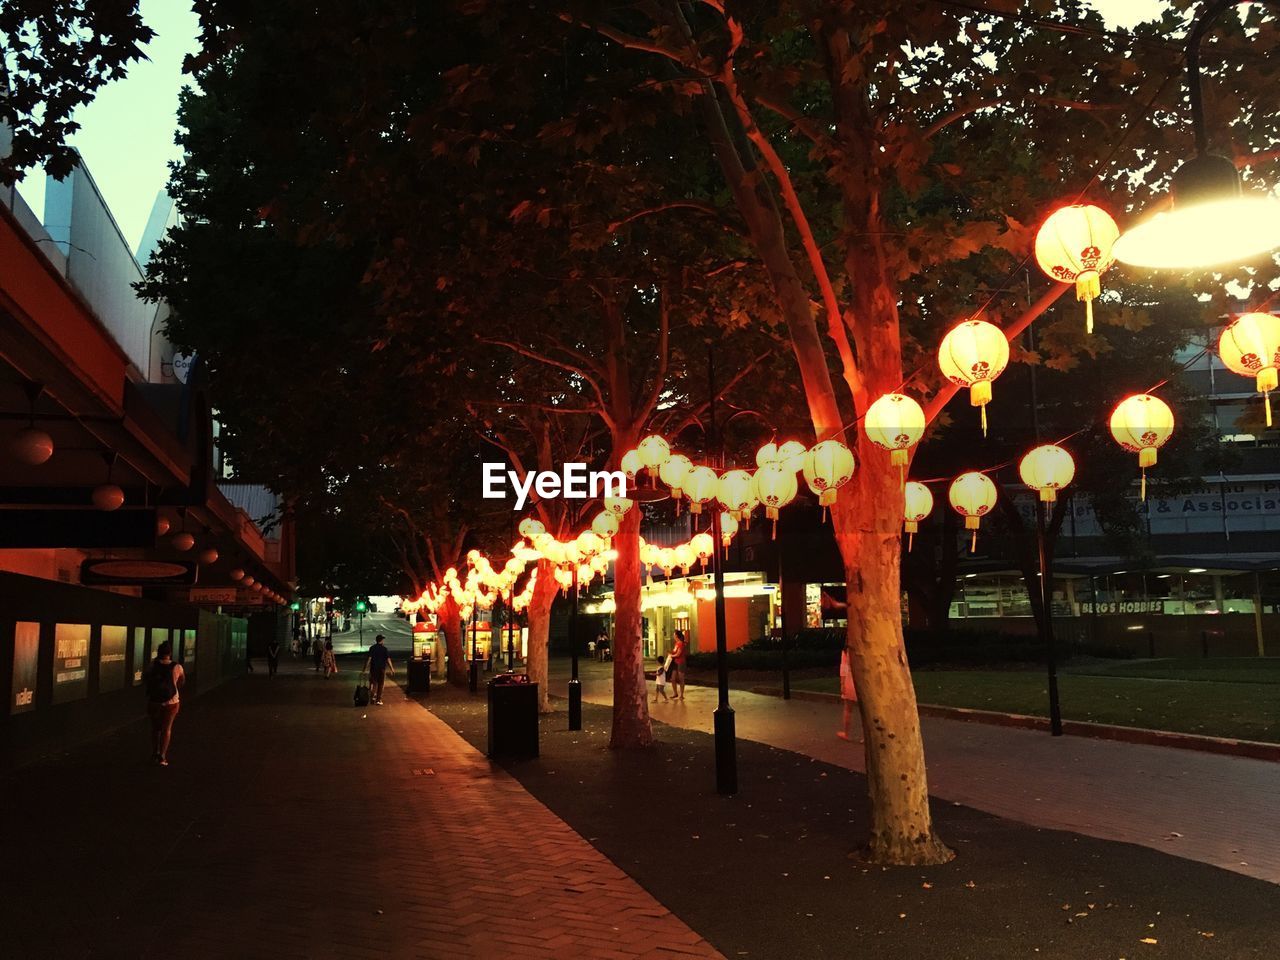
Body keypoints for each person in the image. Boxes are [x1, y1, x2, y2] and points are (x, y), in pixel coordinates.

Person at [145, 640, 185, 766]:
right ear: (170, 653)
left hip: (154, 701)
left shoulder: (152, 665)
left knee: (155, 729)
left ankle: (154, 753)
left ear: (159, 652)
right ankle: (162, 756)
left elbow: (146, 680)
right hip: (172, 702)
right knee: (166, 729)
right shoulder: (177, 667)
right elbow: (181, 682)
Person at [363, 634, 394, 705]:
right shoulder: (384, 649)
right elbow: (388, 659)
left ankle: (372, 697)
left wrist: (365, 668)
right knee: (381, 684)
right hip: (382, 669)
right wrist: (392, 668)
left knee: (374, 683)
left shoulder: (372, 648)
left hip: (373, 669)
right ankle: (378, 700)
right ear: (382, 640)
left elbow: (369, 659)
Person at [837, 648, 860, 741]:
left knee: (848, 709)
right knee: (865, 711)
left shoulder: (846, 651)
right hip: (862, 680)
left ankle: (846, 733)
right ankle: (867, 736)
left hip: (850, 680)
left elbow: (844, 668)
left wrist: (842, 683)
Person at [669, 630, 687, 700]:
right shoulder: (676, 643)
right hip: (675, 662)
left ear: (676, 635)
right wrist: (671, 653)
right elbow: (675, 652)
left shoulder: (681, 644)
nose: (673, 636)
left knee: (681, 679)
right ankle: (675, 693)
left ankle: (681, 695)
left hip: (681, 662)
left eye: (674, 634)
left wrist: (672, 655)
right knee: (673, 678)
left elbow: (678, 654)